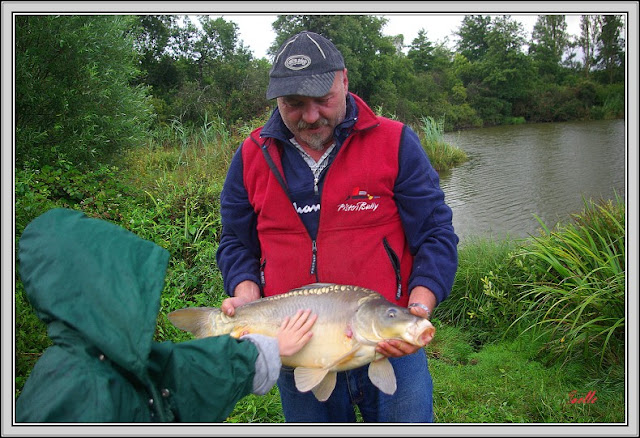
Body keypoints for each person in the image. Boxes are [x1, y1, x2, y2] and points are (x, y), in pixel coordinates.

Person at [216, 31, 459, 422]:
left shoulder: (394, 142)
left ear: (344, 80)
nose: (310, 116)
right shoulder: (251, 154)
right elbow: (236, 244)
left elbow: (436, 235)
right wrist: (246, 297)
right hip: (298, 350)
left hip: (388, 343)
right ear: (277, 98)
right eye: (294, 104)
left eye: (323, 100)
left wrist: (417, 309)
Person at [15, 208, 316, 423]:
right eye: (128, 284)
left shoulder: (113, 355)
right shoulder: (75, 392)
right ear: (100, 292)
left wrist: (268, 348)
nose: (147, 298)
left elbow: (189, 371)